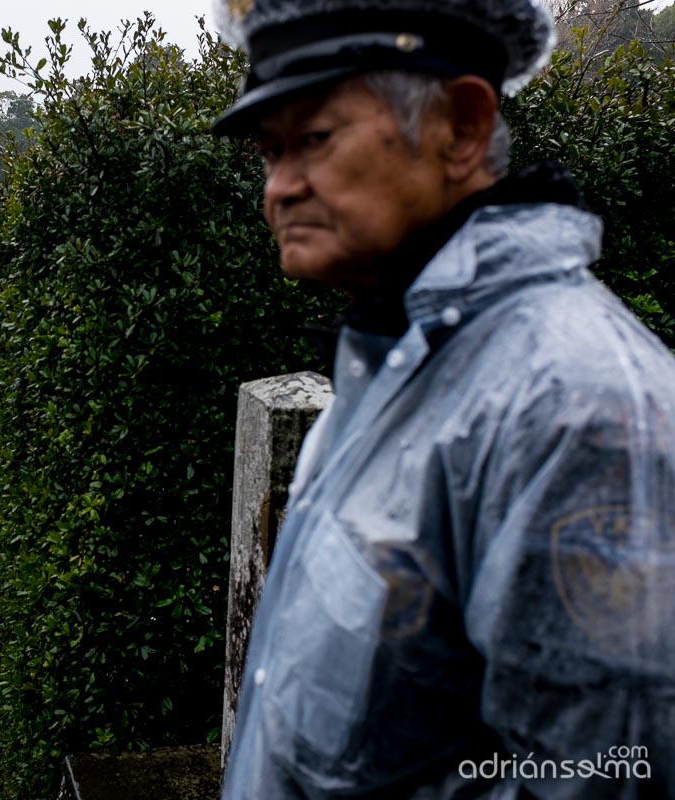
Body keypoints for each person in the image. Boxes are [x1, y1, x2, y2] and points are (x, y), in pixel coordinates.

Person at [211, 0, 675, 796]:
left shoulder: (574, 411)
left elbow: (609, 773)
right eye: (268, 151)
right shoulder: (393, 366)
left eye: (314, 140)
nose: (279, 188)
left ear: (461, 127)